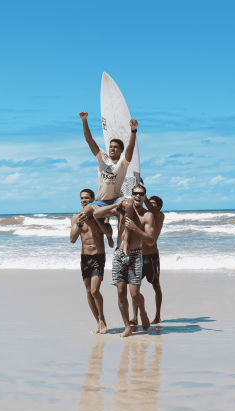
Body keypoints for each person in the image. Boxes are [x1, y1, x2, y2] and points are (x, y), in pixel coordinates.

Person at [95, 184, 156, 337]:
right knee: (120, 291)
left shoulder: (147, 215)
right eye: (135, 193)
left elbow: (150, 240)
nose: (137, 196)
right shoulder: (122, 211)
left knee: (134, 293)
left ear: (144, 197)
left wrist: (135, 228)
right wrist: (115, 204)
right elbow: (97, 214)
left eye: (141, 194)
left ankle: (143, 312)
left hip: (135, 254)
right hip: (119, 254)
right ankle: (127, 326)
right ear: (132, 195)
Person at [78, 111, 139, 255]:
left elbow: (130, 147)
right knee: (82, 215)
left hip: (116, 198)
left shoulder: (123, 162)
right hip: (99, 201)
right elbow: (89, 139)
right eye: (111, 146)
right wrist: (84, 120)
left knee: (128, 205)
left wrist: (133, 130)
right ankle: (108, 235)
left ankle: (125, 241)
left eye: (115, 147)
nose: (112, 148)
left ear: (121, 151)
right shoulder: (102, 157)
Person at [70, 188, 113, 334]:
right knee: (88, 291)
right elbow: (72, 240)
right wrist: (80, 225)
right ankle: (98, 322)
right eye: (82, 198)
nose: (84, 200)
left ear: (93, 199)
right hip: (85, 257)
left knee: (95, 290)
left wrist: (93, 220)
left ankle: (102, 318)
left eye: (87, 198)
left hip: (98, 256)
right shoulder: (76, 218)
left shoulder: (101, 215)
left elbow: (108, 233)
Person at [130, 195, 165, 325]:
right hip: (139, 255)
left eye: (153, 203)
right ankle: (134, 317)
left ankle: (157, 315)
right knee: (135, 287)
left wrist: (144, 197)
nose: (149, 205)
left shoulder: (159, 215)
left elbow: (151, 208)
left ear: (159, 207)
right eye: (149, 203)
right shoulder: (144, 215)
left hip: (152, 256)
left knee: (156, 285)